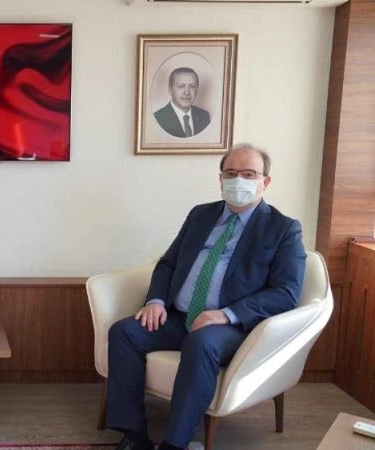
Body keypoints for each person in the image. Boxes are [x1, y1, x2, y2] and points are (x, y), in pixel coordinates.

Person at [105, 143, 306, 450]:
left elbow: (286, 292)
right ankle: (134, 436)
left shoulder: (283, 229)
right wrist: (156, 301)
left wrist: (226, 314)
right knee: (124, 332)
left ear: (265, 181)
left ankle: (175, 444)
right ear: (220, 178)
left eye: (249, 174)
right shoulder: (200, 214)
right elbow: (168, 263)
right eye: (231, 173)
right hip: (179, 315)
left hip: (232, 325)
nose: (238, 180)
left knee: (200, 343)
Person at [154, 67, 211, 138]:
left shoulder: (204, 116)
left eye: (192, 86)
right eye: (181, 86)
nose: (187, 92)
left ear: (197, 89)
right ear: (170, 89)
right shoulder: (158, 118)